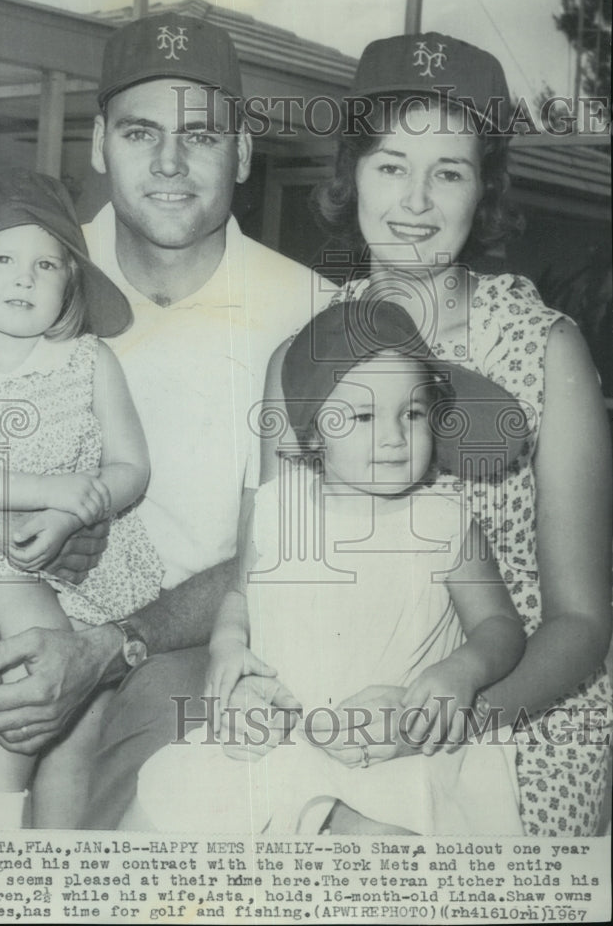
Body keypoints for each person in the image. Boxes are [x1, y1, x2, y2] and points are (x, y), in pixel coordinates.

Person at [0, 13, 329, 828]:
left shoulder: (310, 316)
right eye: (140, 132)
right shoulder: (28, 256)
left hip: (182, 639)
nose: (168, 162)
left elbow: (293, 545)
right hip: (3, 594)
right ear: (98, 145)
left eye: (200, 135)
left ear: (241, 152)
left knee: (183, 713)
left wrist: (110, 643)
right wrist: (4, 523)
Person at [255, 33, 612, 836]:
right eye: (390, 166)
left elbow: (582, 624)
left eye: (446, 172)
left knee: (355, 849)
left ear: (482, 191)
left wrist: (450, 719)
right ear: (350, 176)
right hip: (330, 700)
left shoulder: (544, 348)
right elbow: (274, 572)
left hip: (511, 708)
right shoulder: (299, 358)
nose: (414, 201)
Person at [126, 299, 527, 835]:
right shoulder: (275, 510)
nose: (393, 436)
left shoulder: (444, 521)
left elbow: (500, 626)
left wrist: (461, 673)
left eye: (411, 413)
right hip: (281, 737)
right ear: (314, 433)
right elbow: (241, 597)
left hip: (398, 751)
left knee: (388, 849)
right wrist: (228, 648)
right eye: (363, 416)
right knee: (162, 807)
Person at [0, 169, 163, 829]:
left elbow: (131, 466)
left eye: (46, 264)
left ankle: (51, 871)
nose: (24, 277)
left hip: (87, 566)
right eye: (4, 257)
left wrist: (79, 507)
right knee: (39, 634)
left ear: (70, 283)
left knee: (83, 716)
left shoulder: (88, 360)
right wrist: (43, 492)